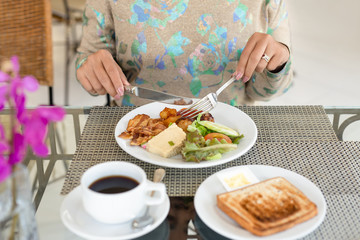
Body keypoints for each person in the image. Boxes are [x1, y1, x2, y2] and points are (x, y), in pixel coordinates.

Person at [76, 0, 293, 106]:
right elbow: (88, 56)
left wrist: (278, 61)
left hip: (230, 135)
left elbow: (265, 93)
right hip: (134, 134)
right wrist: (90, 67)